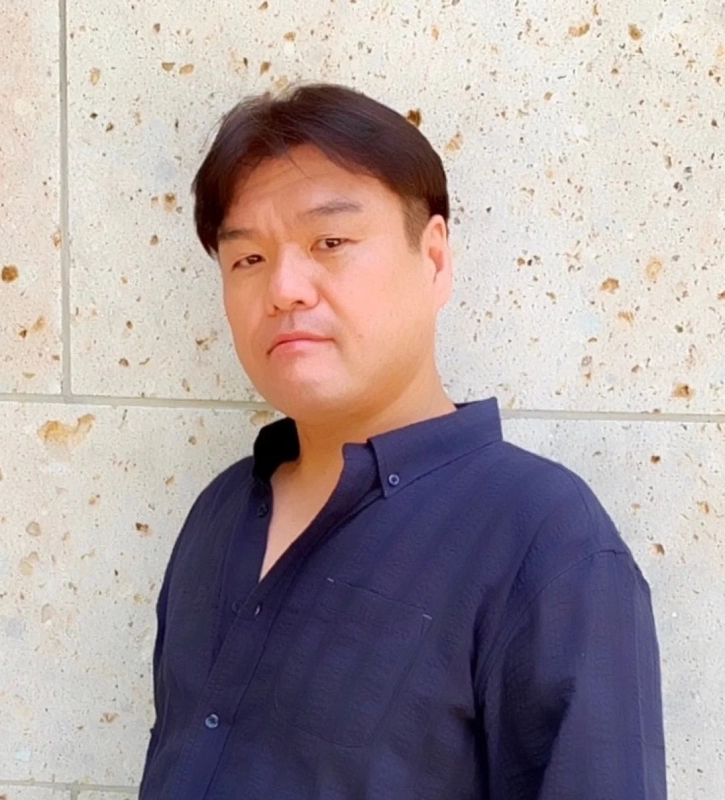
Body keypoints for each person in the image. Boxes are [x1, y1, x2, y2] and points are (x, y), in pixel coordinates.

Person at [139, 83, 666, 799]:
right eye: (247, 259)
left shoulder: (542, 538)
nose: (285, 287)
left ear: (435, 259)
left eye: (330, 241)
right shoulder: (222, 510)